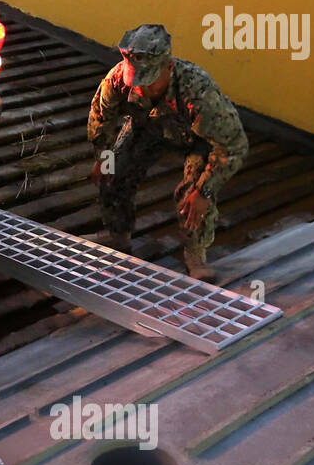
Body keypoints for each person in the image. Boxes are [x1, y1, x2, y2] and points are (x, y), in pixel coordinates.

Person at [86, 24, 248, 281]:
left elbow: (233, 145)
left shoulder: (198, 92)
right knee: (113, 170)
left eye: (148, 81)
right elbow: (101, 117)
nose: (140, 89)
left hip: (197, 138)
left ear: (168, 67)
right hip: (148, 126)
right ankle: (118, 234)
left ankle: (195, 253)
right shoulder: (118, 78)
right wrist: (103, 156)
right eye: (135, 81)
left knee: (192, 198)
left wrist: (206, 189)